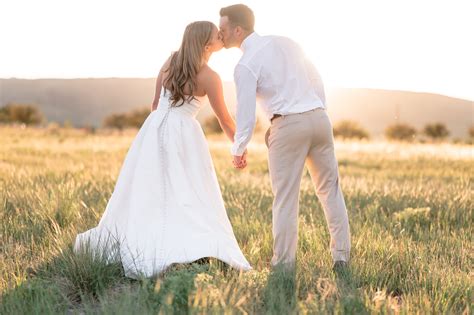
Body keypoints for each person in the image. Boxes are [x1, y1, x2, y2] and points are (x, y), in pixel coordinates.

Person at [74, 21, 251, 278]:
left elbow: (155, 103)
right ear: (205, 44)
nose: (221, 36)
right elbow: (224, 119)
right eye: (217, 35)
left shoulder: (170, 62)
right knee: (188, 189)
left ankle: (161, 236)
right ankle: (182, 244)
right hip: (184, 135)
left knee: (150, 188)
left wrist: (160, 129)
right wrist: (240, 146)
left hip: (154, 129)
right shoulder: (210, 77)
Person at [218, 4, 351, 271]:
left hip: (287, 126)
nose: (220, 34)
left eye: (222, 29)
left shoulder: (245, 65)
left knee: (285, 199)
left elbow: (245, 113)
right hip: (319, 119)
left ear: (237, 30)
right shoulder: (286, 42)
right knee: (330, 191)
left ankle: (283, 266)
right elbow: (315, 77)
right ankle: (341, 258)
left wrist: (238, 148)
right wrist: (316, 107)